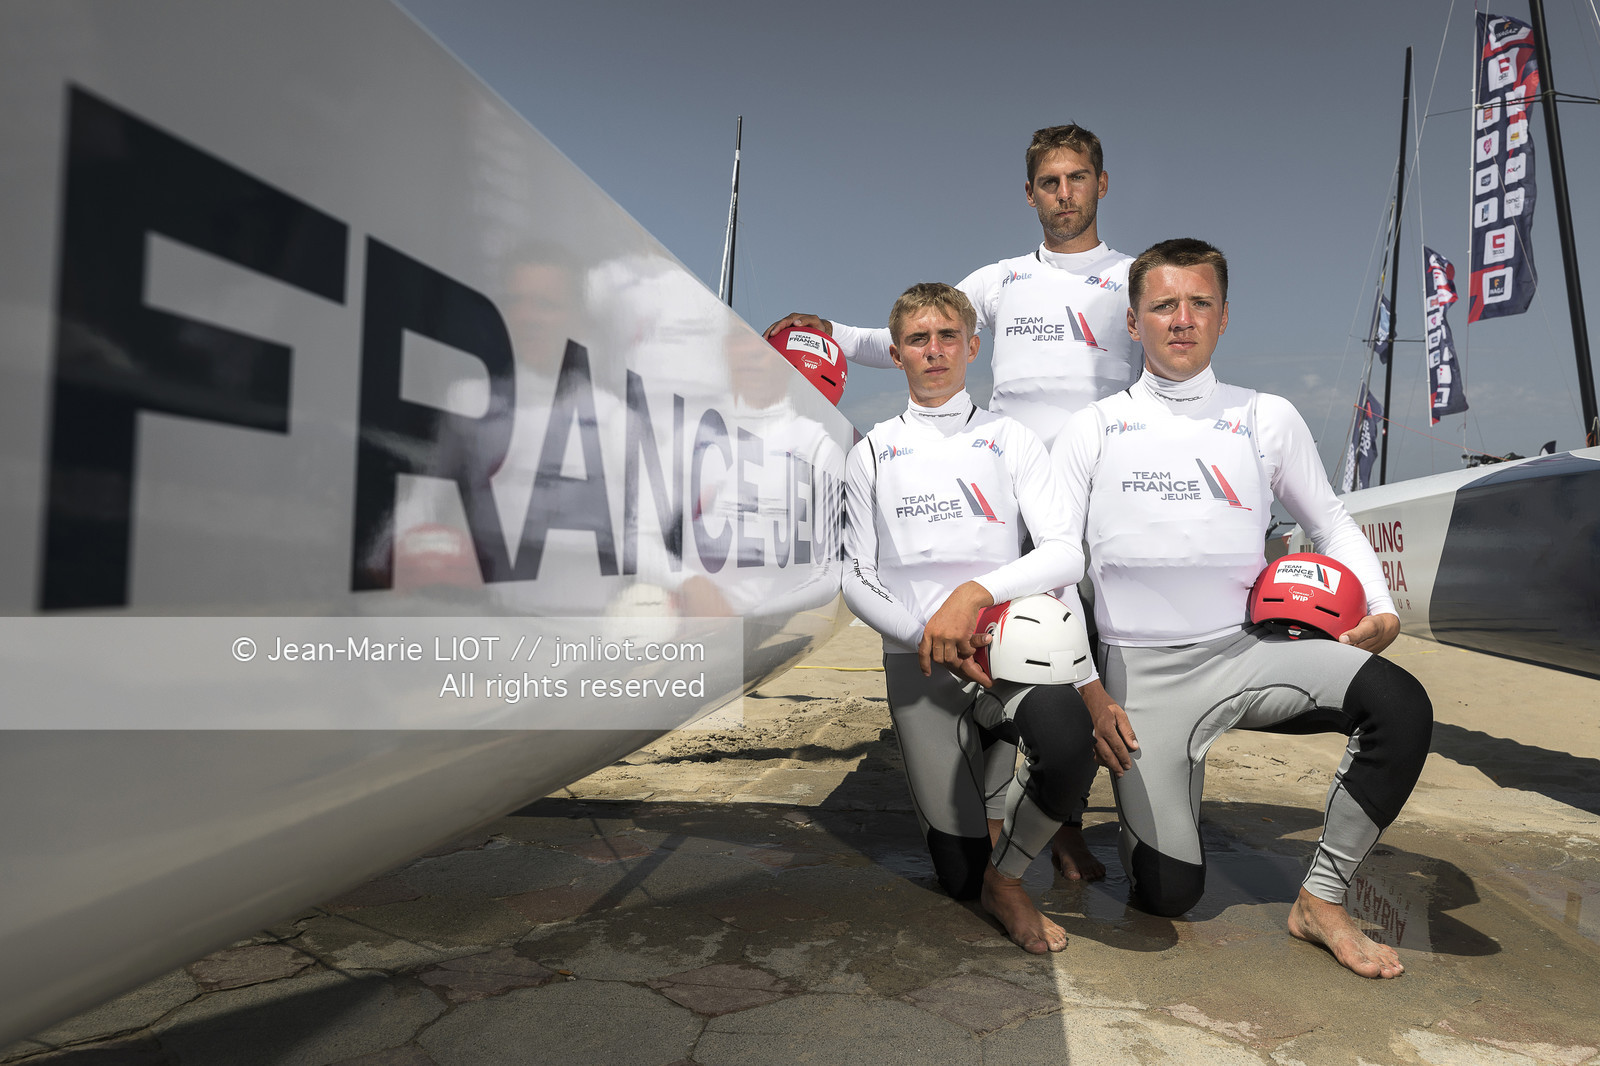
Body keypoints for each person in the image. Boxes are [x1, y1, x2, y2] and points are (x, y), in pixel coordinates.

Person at [1050, 238, 1434, 979]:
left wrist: (1381, 609)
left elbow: (1332, 523)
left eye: (1200, 303)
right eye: (1164, 304)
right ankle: (1166, 799)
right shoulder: (1092, 429)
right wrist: (1091, 692)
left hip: (1245, 652)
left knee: (1401, 704)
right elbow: (1061, 570)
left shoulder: (1266, 418)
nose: (1182, 319)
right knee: (1167, 896)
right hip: (1139, 680)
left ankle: (1321, 900)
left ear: (1225, 317)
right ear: (1134, 322)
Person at [842, 282, 1105, 953]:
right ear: (897, 353)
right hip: (920, 666)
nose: (934, 351)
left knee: (1069, 740)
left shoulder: (1010, 439)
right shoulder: (871, 452)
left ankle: (1010, 879)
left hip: (1003, 654)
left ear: (972, 347)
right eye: (918, 340)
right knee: (958, 879)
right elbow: (857, 576)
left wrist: (975, 593)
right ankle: (987, 823)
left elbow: (1061, 554)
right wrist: (924, 634)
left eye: (947, 337)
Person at [765, 123, 1140, 450]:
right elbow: (909, 340)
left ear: (1101, 183)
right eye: (1049, 182)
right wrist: (830, 331)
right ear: (1030, 193)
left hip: (1104, 482)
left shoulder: (1137, 280)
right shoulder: (1000, 279)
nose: (1064, 193)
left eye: (1077, 177)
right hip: (1010, 491)